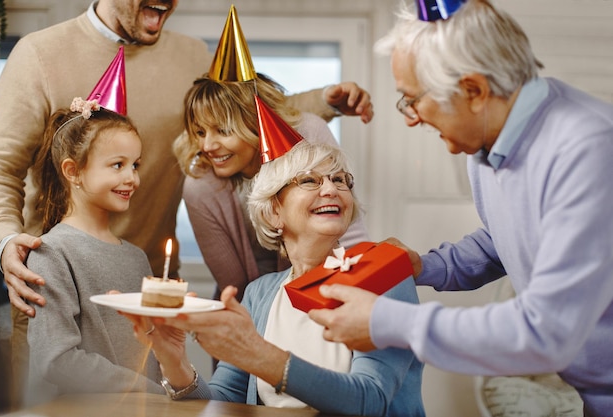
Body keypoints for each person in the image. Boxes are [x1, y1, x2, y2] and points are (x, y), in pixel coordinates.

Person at [0, 0, 372, 407]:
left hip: (143, 278)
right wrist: (5, 241)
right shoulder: (39, 53)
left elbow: (240, 103)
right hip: (53, 283)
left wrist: (324, 100)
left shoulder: (189, 54)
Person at [308, 1, 613, 416]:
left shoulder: (589, 149)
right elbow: (504, 238)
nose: (412, 118)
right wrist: (422, 265)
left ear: (473, 91)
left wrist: (386, 321)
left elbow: (546, 333)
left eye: (412, 100)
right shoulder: (487, 142)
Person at [125, 139, 425, 416]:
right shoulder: (260, 293)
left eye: (340, 180)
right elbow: (223, 401)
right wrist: (175, 363)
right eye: (309, 180)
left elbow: (370, 401)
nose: (331, 190)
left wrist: (261, 356)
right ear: (273, 212)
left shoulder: (385, 278)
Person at [174, 73, 369, 300]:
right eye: (200, 132)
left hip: (329, 286)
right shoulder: (200, 185)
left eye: (224, 131)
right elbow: (236, 286)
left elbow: (350, 236)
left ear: (255, 122)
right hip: (253, 302)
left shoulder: (308, 135)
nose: (207, 145)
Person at [25, 97, 164, 406]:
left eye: (135, 165)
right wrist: (151, 392)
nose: (132, 178)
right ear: (73, 171)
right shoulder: (51, 254)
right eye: (118, 164)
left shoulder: (137, 258)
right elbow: (57, 359)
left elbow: (153, 351)